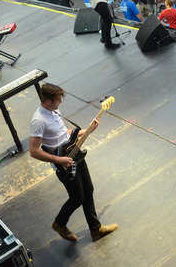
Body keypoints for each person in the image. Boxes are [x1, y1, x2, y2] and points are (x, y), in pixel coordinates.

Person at [29, 83, 117, 242]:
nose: (61, 101)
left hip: (75, 154)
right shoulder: (38, 120)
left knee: (88, 190)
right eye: (58, 99)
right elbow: (34, 151)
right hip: (64, 165)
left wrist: (88, 130)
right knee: (77, 198)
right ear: (48, 101)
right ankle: (59, 224)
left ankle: (96, 230)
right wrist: (59, 160)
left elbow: (65, 134)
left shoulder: (54, 111)